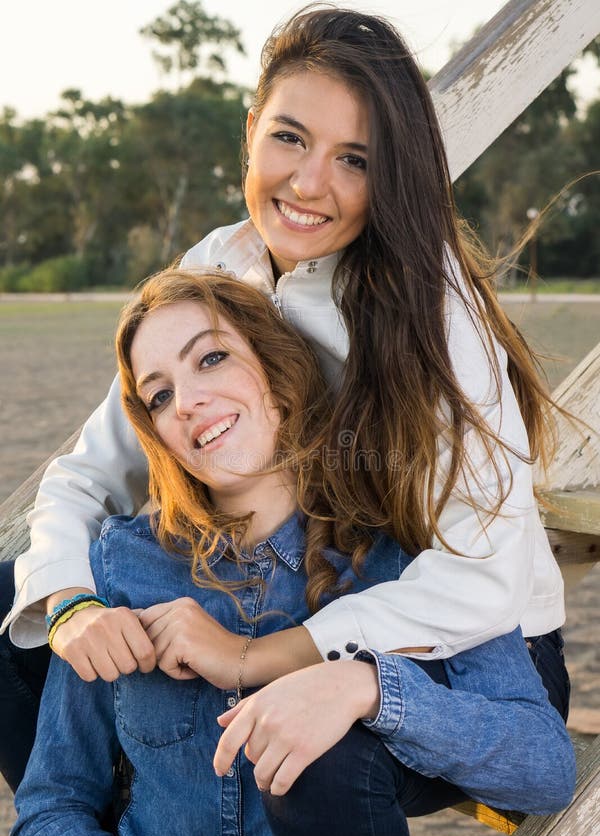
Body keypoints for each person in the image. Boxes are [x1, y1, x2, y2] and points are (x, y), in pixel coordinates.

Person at [0, 6, 569, 794]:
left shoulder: (435, 317)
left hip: (472, 656)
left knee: (312, 751)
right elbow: (93, 472)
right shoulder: (221, 263)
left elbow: (486, 582)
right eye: (290, 138)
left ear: (393, 174)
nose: (309, 183)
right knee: (10, 607)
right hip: (286, 592)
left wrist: (268, 656)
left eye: (355, 160)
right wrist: (70, 607)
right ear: (250, 132)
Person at [10, 269, 574, 836]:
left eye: (212, 359)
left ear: (279, 377)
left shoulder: (394, 565)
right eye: (160, 396)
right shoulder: (124, 568)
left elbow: (545, 766)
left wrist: (371, 688)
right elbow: (53, 807)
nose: (188, 401)